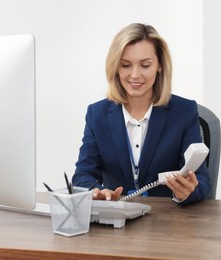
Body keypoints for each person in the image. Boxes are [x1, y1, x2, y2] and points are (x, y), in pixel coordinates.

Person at [72, 23, 210, 206]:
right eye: (126, 65)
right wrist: (95, 192)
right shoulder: (97, 114)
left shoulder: (184, 111)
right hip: (117, 223)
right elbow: (83, 175)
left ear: (159, 65)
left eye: (145, 65)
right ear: (116, 67)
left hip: (168, 224)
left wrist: (187, 191)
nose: (135, 75)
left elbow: (202, 181)